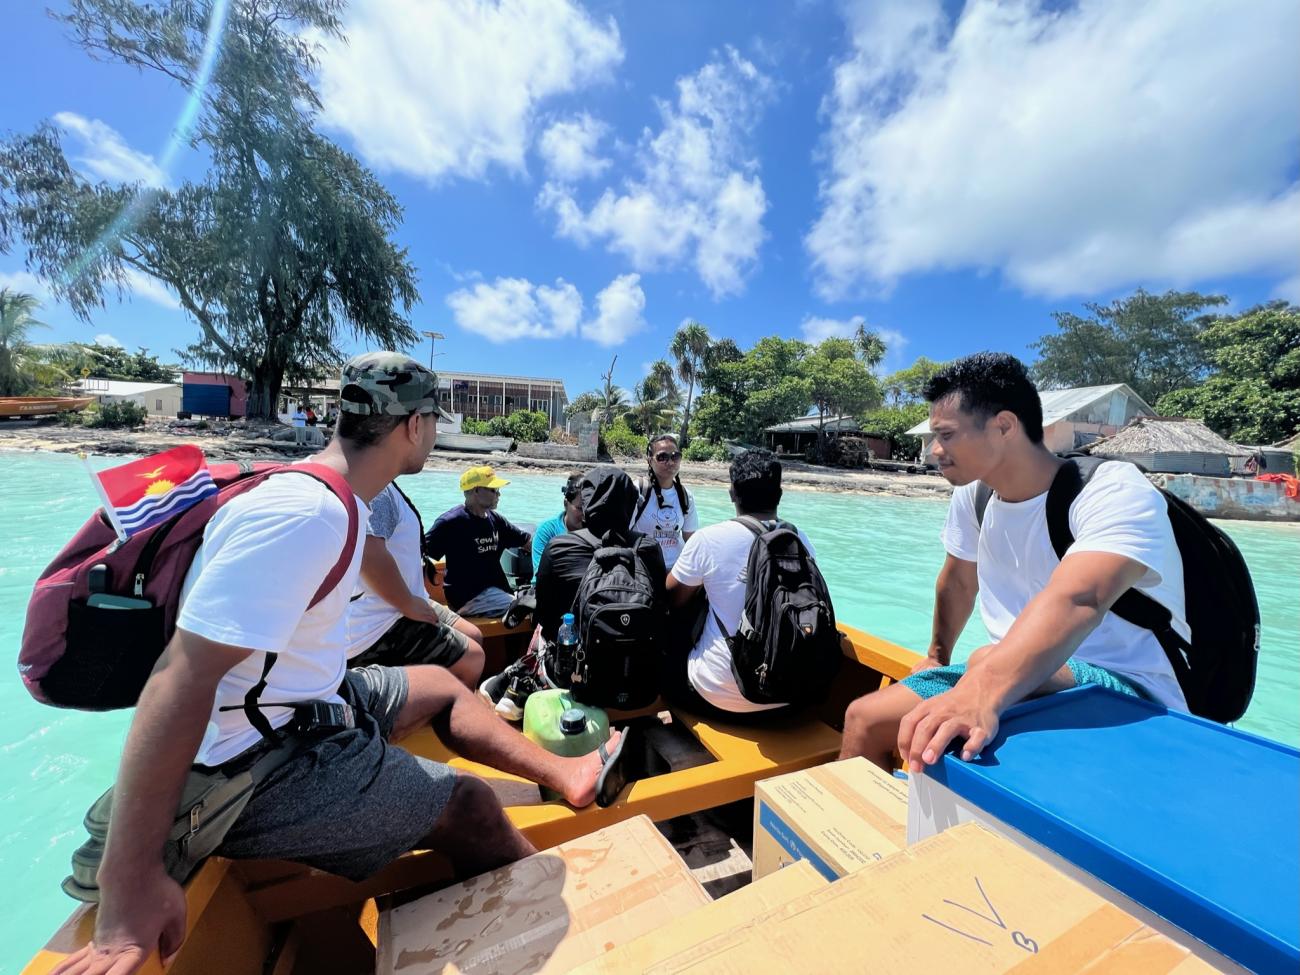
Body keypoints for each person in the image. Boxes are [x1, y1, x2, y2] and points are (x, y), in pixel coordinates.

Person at [55, 353, 620, 975]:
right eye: (434, 419)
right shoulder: (306, 515)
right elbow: (179, 679)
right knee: (473, 808)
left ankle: (572, 777)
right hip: (257, 760)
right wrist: (129, 877)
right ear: (414, 426)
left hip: (305, 701)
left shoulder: (323, 493)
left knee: (438, 683)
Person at [839, 352, 1187, 772]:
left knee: (981, 665)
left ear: (1004, 426)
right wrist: (936, 654)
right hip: (1008, 669)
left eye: (946, 435)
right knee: (864, 718)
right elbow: (958, 583)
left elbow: (1080, 597)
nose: (934, 450)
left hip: (1126, 686)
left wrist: (982, 690)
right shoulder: (976, 495)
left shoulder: (1111, 490)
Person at [481, 467, 666, 716]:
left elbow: (546, 615)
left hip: (576, 678)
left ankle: (519, 678)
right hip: (639, 680)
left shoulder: (561, 547)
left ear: (588, 504)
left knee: (544, 631)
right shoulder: (649, 548)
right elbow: (661, 607)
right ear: (631, 505)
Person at [665, 449, 813, 717]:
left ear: (732, 493)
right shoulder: (799, 539)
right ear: (779, 494)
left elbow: (672, 599)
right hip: (790, 701)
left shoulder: (708, 539)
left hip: (718, 699)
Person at [347, 480, 486, 689]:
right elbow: (369, 554)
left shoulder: (387, 487)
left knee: (474, 634)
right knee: (472, 659)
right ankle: (449, 712)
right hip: (384, 618)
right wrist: (407, 604)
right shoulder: (379, 493)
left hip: (411, 599)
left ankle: (444, 703)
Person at [425, 466, 532, 617]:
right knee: (529, 610)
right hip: (467, 598)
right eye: (493, 490)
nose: (499, 494)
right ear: (476, 490)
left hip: (496, 592)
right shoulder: (451, 522)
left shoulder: (496, 520)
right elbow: (419, 552)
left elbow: (527, 541)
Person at [633, 433, 698, 570]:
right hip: (643, 568)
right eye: (662, 457)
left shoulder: (686, 496)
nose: (670, 462)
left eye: (675, 456)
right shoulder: (637, 490)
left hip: (677, 570)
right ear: (650, 461)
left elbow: (691, 541)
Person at [531, 471, 586, 573]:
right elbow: (539, 575)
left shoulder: (597, 531)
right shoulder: (547, 531)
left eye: (589, 508)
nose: (585, 514)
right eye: (579, 508)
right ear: (566, 504)